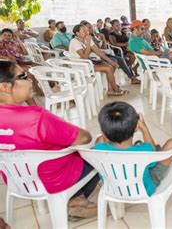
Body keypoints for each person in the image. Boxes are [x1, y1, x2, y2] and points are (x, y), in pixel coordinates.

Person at [0, 60, 99, 219]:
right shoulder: (35, 118)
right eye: (23, 76)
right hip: (54, 179)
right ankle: (76, 200)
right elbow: (84, 138)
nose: (29, 80)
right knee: (98, 146)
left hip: (17, 179)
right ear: (5, 86)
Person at [93, 102, 172, 196]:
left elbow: (101, 139)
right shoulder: (145, 150)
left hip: (113, 189)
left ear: (104, 133)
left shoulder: (98, 147)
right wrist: (144, 129)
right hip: (144, 190)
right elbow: (154, 156)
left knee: (99, 140)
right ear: (136, 128)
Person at [69, 24, 128, 96]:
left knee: (112, 65)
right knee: (108, 68)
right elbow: (84, 57)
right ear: (77, 33)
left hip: (88, 63)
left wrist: (111, 61)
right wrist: (88, 43)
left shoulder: (88, 39)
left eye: (87, 31)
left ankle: (110, 90)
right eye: (84, 31)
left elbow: (99, 52)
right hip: (80, 66)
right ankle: (116, 89)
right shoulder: (74, 41)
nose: (87, 33)